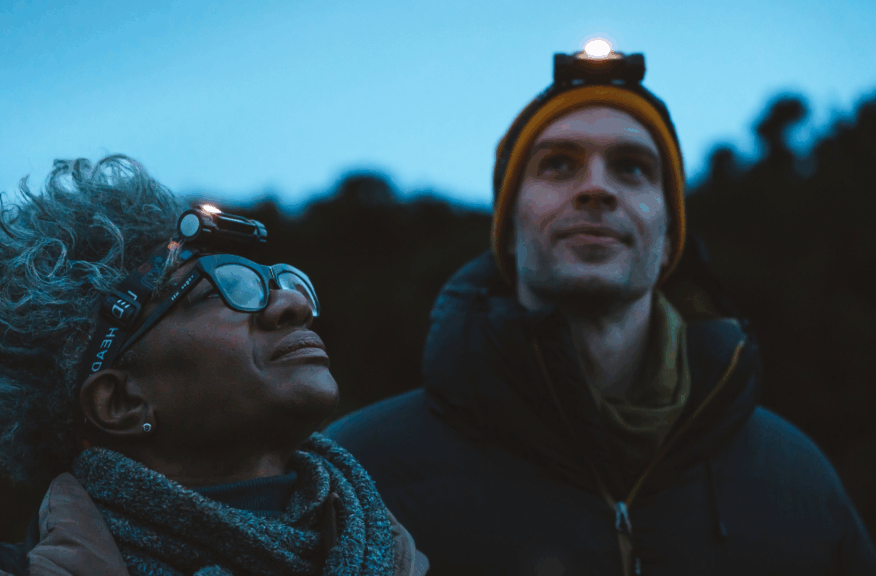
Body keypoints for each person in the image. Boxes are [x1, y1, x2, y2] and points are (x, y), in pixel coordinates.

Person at [327, 46, 876, 575]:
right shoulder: (361, 476)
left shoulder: (797, 480)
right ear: (509, 232)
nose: (595, 188)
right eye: (559, 164)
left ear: (668, 240)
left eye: (632, 167)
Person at [0, 155, 427, 576]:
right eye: (218, 290)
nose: (291, 305)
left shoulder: (408, 556)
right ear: (121, 402)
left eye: (278, 281)